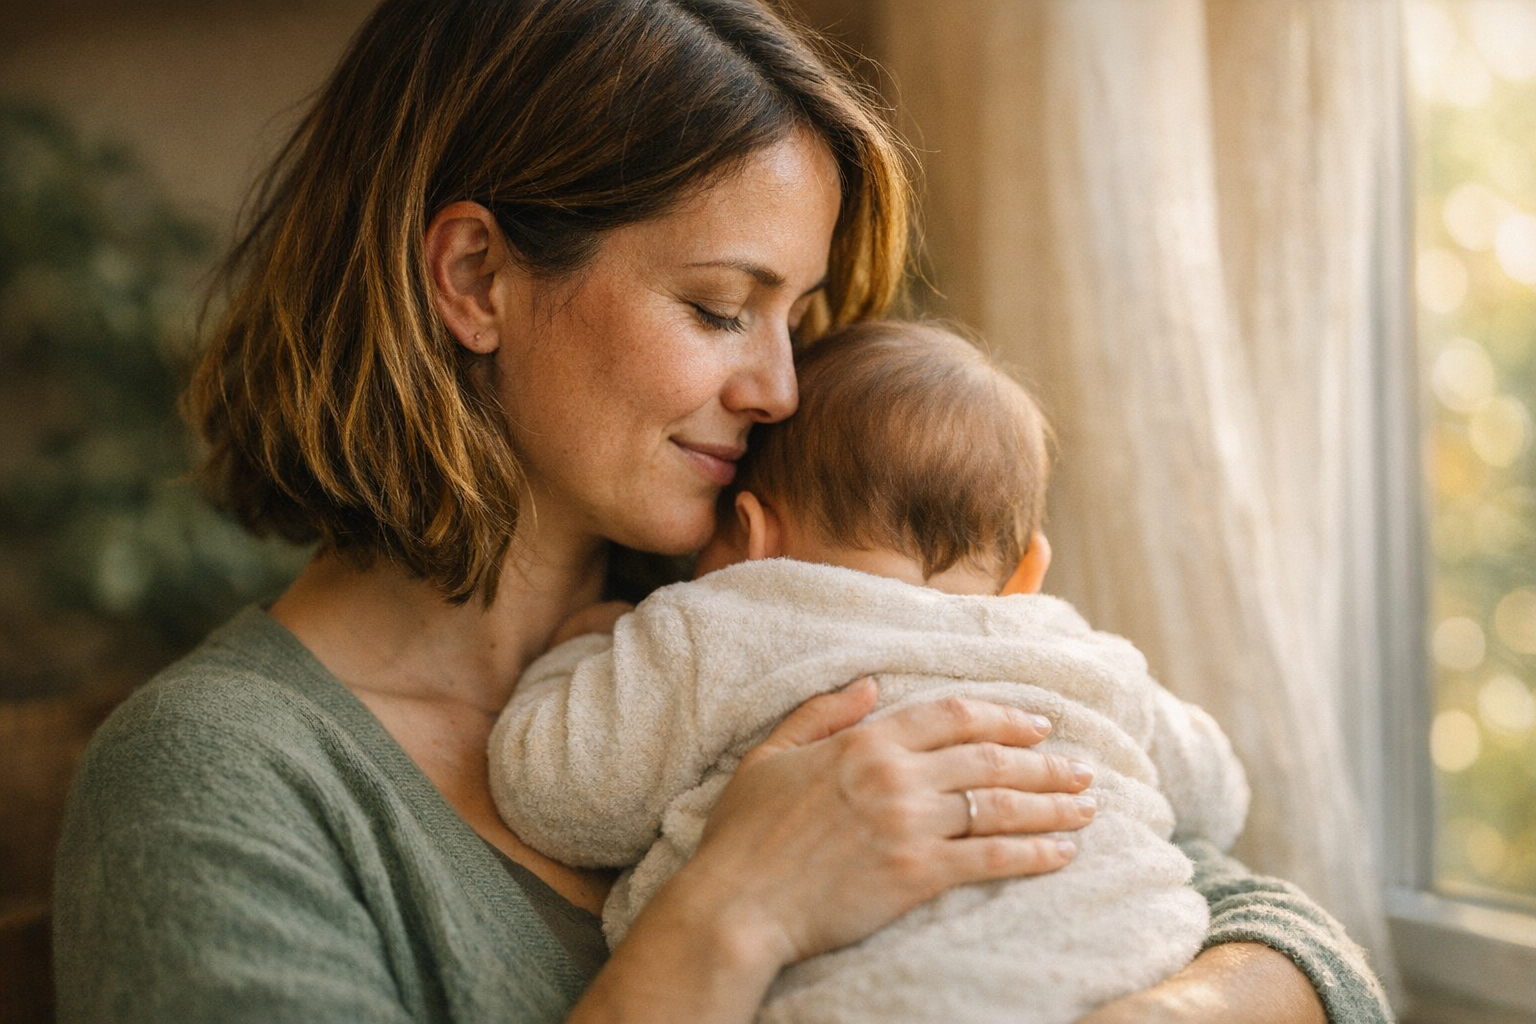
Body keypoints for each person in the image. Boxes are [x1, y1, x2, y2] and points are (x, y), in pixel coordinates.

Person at [50, 1, 1391, 1022]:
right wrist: (732, 914)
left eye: (798, 321)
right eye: (715, 307)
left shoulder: (767, 636)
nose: (779, 389)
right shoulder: (219, 785)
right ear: (474, 277)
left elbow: (1297, 944)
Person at [489, 319, 1255, 1023]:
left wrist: (588, 652)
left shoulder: (719, 620)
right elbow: (1215, 796)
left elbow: (558, 793)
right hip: (1129, 968)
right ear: (1029, 571)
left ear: (752, 534)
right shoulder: (1083, 653)